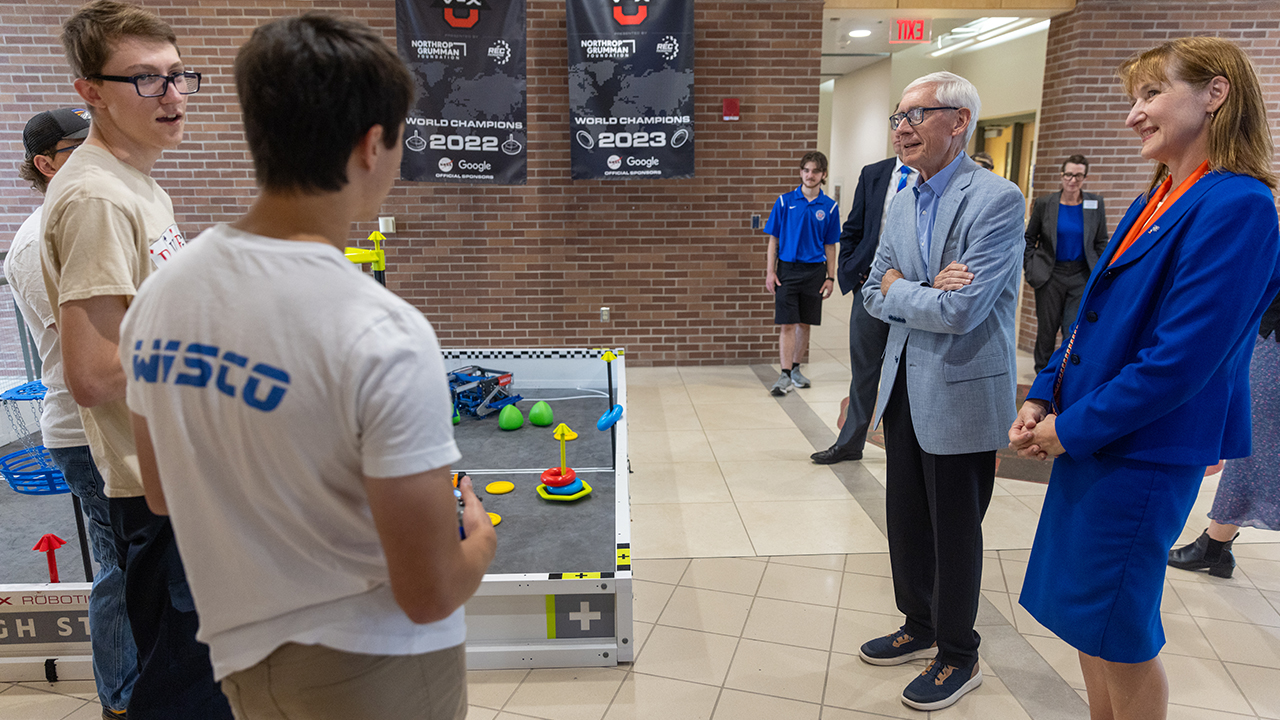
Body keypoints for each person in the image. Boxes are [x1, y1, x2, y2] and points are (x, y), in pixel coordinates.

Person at [120, 14, 497, 719]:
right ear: (371, 145)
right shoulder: (381, 330)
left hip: (241, 660)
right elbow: (430, 591)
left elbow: (164, 492)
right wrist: (479, 533)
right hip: (379, 666)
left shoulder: (161, 296)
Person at [1010, 37, 1280, 720]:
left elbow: (1181, 360)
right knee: (1088, 621)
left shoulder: (1238, 206)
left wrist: (1071, 428)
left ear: (1215, 94)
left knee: (1118, 630)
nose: (1134, 114)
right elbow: (1088, 317)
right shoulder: (1158, 194)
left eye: (1151, 94)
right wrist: (1044, 392)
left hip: (1143, 448)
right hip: (1100, 436)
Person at [41, 2, 229, 717]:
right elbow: (93, 373)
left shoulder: (139, 185)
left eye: (179, 76)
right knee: (186, 693)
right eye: (147, 81)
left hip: (185, 474)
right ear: (89, 91)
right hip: (154, 488)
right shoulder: (95, 197)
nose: (173, 96)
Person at [858, 71, 1025, 711]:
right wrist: (920, 288)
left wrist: (905, 288)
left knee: (954, 529)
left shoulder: (997, 200)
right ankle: (919, 623)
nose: (902, 126)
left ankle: (959, 654)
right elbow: (873, 292)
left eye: (917, 114)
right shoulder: (902, 199)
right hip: (904, 384)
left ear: (958, 122)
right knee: (905, 519)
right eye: (897, 116)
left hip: (959, 388)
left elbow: (965, 311)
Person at [7, 107, 138, 719]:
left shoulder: (93, 214)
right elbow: (96, 345)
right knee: (120, 566)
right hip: (88, 427)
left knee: (141, 560)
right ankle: (123, 700)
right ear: (45, 163)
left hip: (120, 416)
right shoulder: (41, 238)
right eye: (77, 145)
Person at [810, 139, 916, 464]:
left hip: (914, 291)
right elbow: (853, 227)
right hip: (870, 288)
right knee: (865, 369)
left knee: (909, 374)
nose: (903, 135)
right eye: (898, 125)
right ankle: (850, 443)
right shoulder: (874, 173)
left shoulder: (933, 176)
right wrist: (852, 271)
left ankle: (906, 450)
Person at [1169, 292, 1280, 579]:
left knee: (1256, 446)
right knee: (1255, 447)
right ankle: (1215, 545)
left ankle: (1215, 545)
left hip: (1273, 343)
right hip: (1267, 335)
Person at [764, 150, 840, 396]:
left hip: (814, 273)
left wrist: (830, 277)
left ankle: (796, 369)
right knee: (787, 323)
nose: (810, 175)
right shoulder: (785, 201)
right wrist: (770, 272)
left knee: (804, 323)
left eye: (815, 171)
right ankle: (784, 374)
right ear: (800, 172)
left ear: (823, 174)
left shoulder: (829, 207)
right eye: (806, 170)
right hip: (787, 270)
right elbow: (773, 240)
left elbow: (830, 245)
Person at [1023, 155, 1109, 373]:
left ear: (1084, 177)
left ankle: (1063, 375)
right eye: (1069, 174)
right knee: (1047, 330)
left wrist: (1099, 270)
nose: (1073, 180)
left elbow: (1100, 241)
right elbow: (1029, 239)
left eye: (1078, 175)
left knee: (1072, 329)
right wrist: (1031, 267)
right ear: (1062, 176)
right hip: (1050, 274)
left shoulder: (1094, 203)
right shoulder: (1045, 203)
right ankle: (1041, 375)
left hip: (1080, 275)